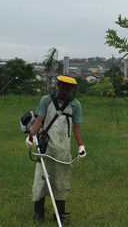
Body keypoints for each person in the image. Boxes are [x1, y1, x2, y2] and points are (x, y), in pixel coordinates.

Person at [25, 75, 86, 224]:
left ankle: (60, 214)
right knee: (41, 179)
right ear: (58, 85)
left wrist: (81, 146)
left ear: (72, 89)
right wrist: (31, 136)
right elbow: (39, 120)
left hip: (63, 149)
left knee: (61, 181)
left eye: (68, 88)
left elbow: (77, 127)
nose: (64, 90)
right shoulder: (46, 100)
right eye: (62, 86)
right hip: (46, 148)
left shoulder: (75, 105)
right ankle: (38, 213)